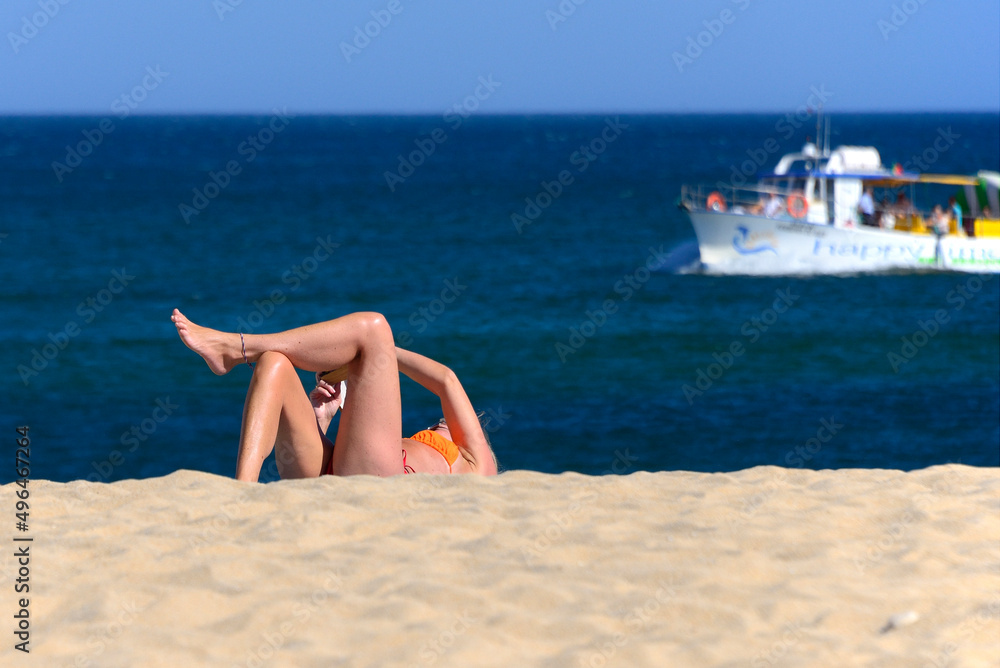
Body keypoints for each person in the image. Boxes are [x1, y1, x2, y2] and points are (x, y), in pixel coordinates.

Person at [171, 309, 498, 481]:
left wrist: (382, 350)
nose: (440, 422)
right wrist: (322, 419)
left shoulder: (478, 462)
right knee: (274, 363)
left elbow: (446, 380)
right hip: (333, 472)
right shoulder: (436, 451)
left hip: (380, 482)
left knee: (374, 328)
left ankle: (237, 348)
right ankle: (243, 488)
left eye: (442, 423)